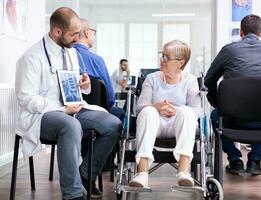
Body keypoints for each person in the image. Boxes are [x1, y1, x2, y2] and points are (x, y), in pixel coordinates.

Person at [15, 7, 122, 200]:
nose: (78, 38)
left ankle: (83, 174)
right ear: (57, 32)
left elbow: (70, 86)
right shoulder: (31, 58)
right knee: (70, 125)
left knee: (112, 124)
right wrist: (62, 109)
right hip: (42, 116)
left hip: (73, 109)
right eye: (74, 34)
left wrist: (85, 85)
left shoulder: (70, 51)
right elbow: (26, 99)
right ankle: (72, 195)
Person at [204, 14, 261, 176]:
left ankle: (235, 160)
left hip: (232, 120)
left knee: (215, 116)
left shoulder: (228, 50)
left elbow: (208, 80)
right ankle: (254, 160)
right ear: (260, 33)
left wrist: (220, 104)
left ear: (241, 32)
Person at [128, 40, 201, 188]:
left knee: (187, 111)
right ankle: (142, 174)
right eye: (162, 55)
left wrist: (177, 110)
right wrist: (156, 106)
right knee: (148, 111)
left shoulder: (190, 80)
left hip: (179, 126)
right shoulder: (151, 79)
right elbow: (140, 108)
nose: (162, 60)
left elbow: (197, 110)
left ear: (180, 62)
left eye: (166, 57)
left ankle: (183, 172)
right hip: (155, 125)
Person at [74, 18, 125, 121]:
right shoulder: (97, 61)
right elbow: (110, 98)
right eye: (94, 32)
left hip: (69, 111)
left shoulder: (64, 56)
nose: (94, 36)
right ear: (87, 32)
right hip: (96, 113)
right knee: (119, 112)